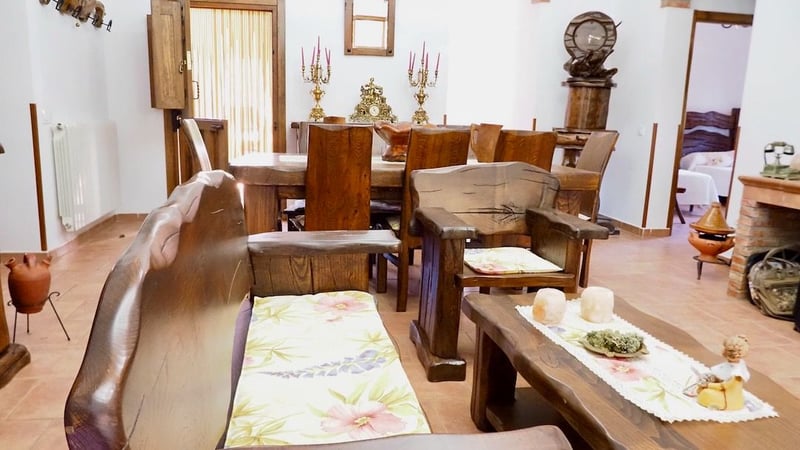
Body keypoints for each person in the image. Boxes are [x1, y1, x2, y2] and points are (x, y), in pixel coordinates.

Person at [695, 335, 750, 410]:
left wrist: (708, 385)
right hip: (722, 390)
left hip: (729, 397)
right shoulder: (728, 365)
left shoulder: (737, 373)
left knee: (706, 393)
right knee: (701, 389)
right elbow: (721, 376)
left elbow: (724, 386)